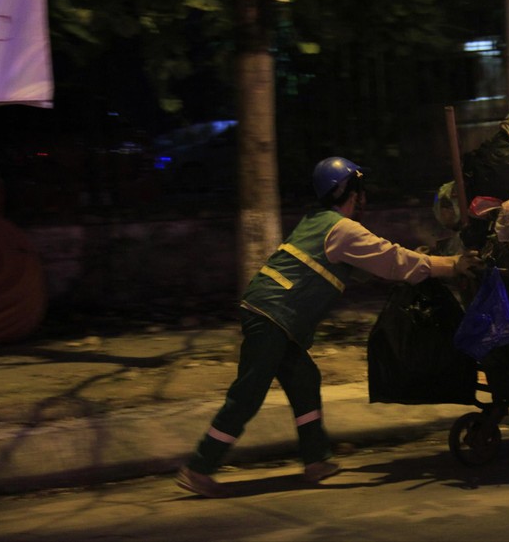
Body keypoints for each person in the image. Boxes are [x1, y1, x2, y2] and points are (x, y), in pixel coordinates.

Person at [176, 156, 484, 497]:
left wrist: (421, 261)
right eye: (360, 190)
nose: (364, 198)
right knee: (247, 394)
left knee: (305, 379)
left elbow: (373, 263)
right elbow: (391, 260)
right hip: (272, 316)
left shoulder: (319, 221)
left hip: (274, 314)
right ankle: (199, 467)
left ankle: (316, 460)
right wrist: (451, 265)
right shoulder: (343, 229)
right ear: (349, 191)